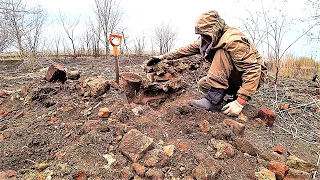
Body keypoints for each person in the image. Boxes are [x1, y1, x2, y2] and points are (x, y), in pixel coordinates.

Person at [146, 10, 267, 116]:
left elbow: (253, 69)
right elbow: (186, 50)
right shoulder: (209, 39)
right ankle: (222, 100)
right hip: (236, 77)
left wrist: (240, 101)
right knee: (204, 84)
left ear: (215, 30)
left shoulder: (232, 40)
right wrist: (163, 57)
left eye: (205, 34)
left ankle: (213, 100)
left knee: (221, 52)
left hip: (253, 77)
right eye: (201, 35)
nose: (203, 38)